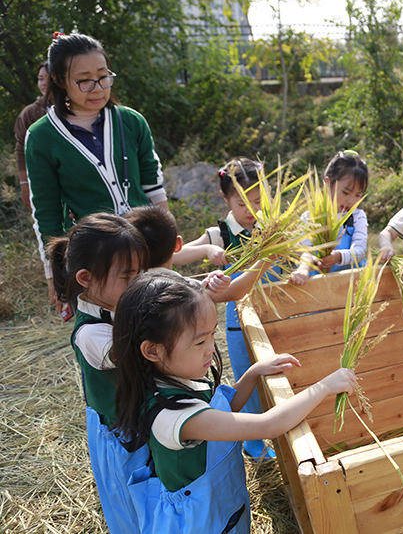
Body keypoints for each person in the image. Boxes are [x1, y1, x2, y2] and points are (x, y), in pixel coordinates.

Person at [111, 273, 356, 534]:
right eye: (199, 341)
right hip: (199, 522)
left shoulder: (176, 379)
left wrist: (252, 374)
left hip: (219, 504)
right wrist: (324, 387)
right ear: (153, 351)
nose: (210, 348)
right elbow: (268, 425)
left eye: (211, 336)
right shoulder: (173, 416)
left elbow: (226, 409)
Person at [25, 32, 166, 313]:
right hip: (96, 258)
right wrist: (54, 275)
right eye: (84, 80)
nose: (98, 88)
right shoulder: (41, 137)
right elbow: (46, 212)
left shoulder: (131, 121)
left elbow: (154, 187)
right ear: (59, 79)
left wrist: (165, 240)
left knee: (159, 323)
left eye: (103, 76)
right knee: (108, 334)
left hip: (146, 244)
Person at [47, 212, 149, 533]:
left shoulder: (119, 303)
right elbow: (145, 352)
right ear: (85, 278)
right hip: (121, 434)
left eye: (140, 273)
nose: (138, 283)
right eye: (127, 277)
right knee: (133, 507)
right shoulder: (91, 334)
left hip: (138, 421)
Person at [175, 157, 277, 459]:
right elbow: (176, 255)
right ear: (225, 199)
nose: (251, 210)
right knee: (249, 374)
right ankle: (254, 443)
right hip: (239, 319)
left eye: (258, 201)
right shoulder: (221, 233)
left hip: (275, 313)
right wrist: (208, 249)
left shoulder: (272, 226)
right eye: (242, 203)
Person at [125, 205, 276, 303]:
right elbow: (234, 292)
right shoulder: (182, 290)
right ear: (178, 244)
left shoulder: (126, 289)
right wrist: (269, 257)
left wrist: (206, 249)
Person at [290, 150, 369, 284]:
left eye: (358, 195)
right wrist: (304, 268)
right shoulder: (310, 217)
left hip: (351, 283)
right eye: (345, 192)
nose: (351, 201)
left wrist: (338, 257)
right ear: (328, 183)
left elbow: (360, 251)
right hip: (316, 285)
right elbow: (304, 251)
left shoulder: (357, 217)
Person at [14, 61, 50, 209]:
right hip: (42, 182)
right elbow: (21, 150)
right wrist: (24, 184)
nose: (44, 84)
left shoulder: (76, 109)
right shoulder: (29, 113)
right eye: (41, 79)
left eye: (49, 79)